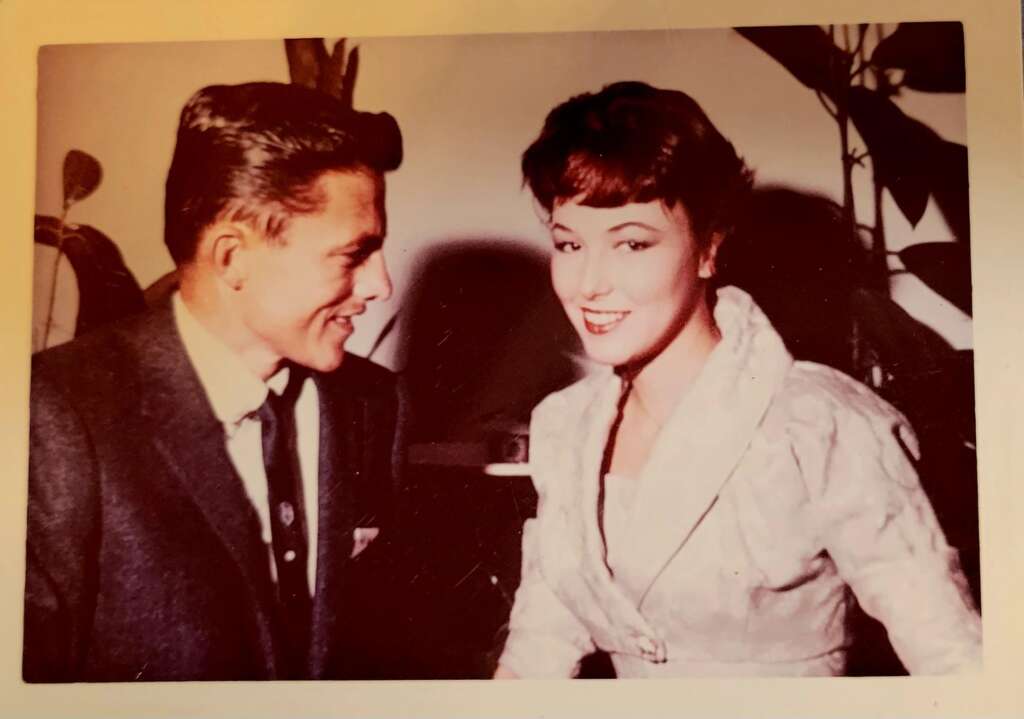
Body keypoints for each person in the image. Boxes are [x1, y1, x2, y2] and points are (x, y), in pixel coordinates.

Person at [494, 81, 981, 678]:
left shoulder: (823, 424)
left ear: (709, 248)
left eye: (632, 243)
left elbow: (952, 659)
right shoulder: (563, 426)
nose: (589, 282)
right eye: (569, 243)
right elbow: (538, 646)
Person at [24, 82, 406, 681]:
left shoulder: (374, 402)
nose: (380, 286)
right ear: (232, 258)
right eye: (355, 254)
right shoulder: (56, 413)